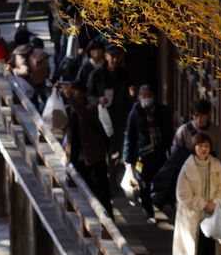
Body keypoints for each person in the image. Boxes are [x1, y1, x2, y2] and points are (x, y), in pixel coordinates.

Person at [172, 133, 221, 255]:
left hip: (212, 216)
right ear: (194, 148)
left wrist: (215, 203)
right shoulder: (187, 167)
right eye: (200, 146)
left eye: (207, 146)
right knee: (194, 251)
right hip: (193, 216)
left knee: (209, 252)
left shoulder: (216, 165)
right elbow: (182, 194)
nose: (204, 149)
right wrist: (203, 203)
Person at [61, 79, 113, 218]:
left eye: (75, 91)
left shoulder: (92, 107)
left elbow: (83, 113)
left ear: (83, 93)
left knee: (102, 192)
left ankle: (108, 219)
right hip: (79, 157)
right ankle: (90, 218)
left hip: (95, 156)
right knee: (84, 191)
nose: (73, 93)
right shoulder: (72, 107)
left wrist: (70, 97)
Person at [88, 45, 135, 195]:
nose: (115, 60)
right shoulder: (97, 74)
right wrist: (97, 100)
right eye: (112, 56)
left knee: (117, 152)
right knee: (103, 152)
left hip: (119, 118)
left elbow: (128, 98)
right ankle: (103, 184)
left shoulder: (124, 74)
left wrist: (131, 94)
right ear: (106, 56)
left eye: (117, 56)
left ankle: (115, 182)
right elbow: (88, 95)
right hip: (102, 119)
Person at [122, 84, 172, 222]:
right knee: (143, 183)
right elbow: (129, 134)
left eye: (148, 96)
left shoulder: (161, 110)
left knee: (161, 179)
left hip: (159, 151)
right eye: (143, 96)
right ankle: (148, 211)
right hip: (142, 154)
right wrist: (127, 158)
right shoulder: (136, 111)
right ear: (138, 97)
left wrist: (169, 148)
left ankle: (159, 203)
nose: (146, 98)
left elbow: (168, 130)